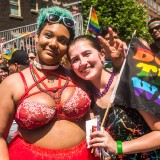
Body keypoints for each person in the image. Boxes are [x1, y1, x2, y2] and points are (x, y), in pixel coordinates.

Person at [0, 6, 100, 160]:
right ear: (36, 36)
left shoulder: (79, 77)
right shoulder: (11, 84)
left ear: (67, 47)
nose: (54, 44)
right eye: (48, 35)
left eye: (62, 40)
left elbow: (95, 109)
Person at [68, 35, 160, 159]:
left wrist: (119, 147)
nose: (82, 63)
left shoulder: (129, 83)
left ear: (101, 54)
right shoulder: (85, 98)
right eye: (75, 60)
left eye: (87, 54)